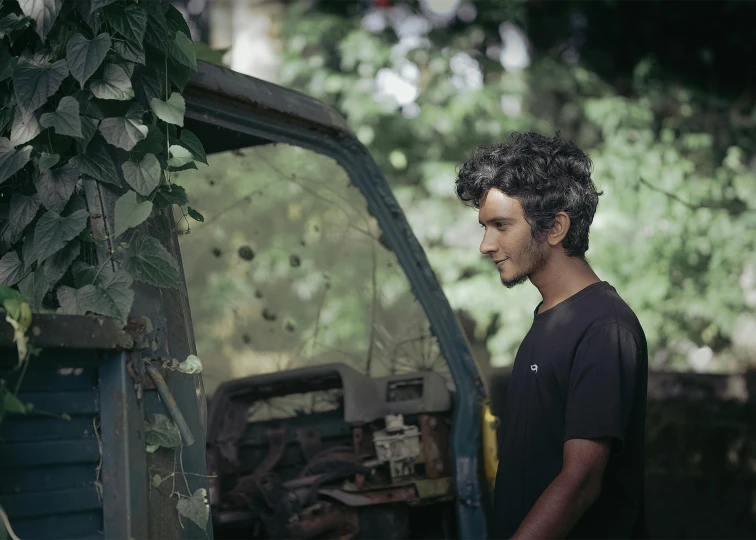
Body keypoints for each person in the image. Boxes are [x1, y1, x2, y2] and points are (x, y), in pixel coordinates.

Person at [455, 132, 648, 539]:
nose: (485, 245)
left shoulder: (604, 328)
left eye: (501, 225)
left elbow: (580, 483)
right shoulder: (549, 315)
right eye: (484, 227)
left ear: (556, 226)